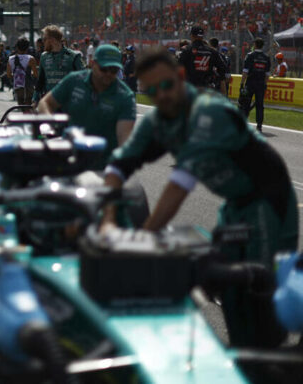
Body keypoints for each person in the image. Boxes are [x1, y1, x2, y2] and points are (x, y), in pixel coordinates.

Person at [102, 47, 298, 347]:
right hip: (235, 205)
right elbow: (119, 163)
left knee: (258, 291)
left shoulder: (209, 111)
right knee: (226, 288)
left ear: (181, 76)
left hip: (269, 202)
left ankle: (268, 360)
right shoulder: (160, 120)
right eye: (152, 91)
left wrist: (142, 240)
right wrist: (108, 218)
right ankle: (243, 356)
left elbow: (179, 185)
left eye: (166, 85)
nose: (161, 95)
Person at [37, 44, 136, 167]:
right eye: (104, 69)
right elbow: (45, 102)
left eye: (113, 70)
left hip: (104, 165)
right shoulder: (74, 80)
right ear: (93, 64)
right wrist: (50, 123)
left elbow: (124, 138)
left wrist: (119, 165)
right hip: (69, 158)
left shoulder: (125, 96)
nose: (108, 74)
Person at [33, 25, 84, 104]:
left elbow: (83, 79)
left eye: (45, 39)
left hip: (69, 103)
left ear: (52, 40)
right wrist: (35, 99)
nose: (43, 42)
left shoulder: (73, 56)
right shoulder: (44, 56)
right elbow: (40, 81)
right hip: (50, 103)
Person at [241, 37, 271, 132]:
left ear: (255, 45)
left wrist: (242, 83)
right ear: (262, 46)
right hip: (261, 84)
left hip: (250, 83)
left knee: (246, 103)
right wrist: (265, 84)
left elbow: (245, 71)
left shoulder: (250, 55)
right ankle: (259, 126)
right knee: (260, 105)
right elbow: (267, 74)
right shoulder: (266, 57)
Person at [6, 37, 38, 107]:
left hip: (18, 86)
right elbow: (36, 74)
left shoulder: (11, 59)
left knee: (21, 106)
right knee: (29, 105)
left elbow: (8, 75)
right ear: (27, 48)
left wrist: (17, 76)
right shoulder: (31, 59)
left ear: (17, 47)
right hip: (28, 86)